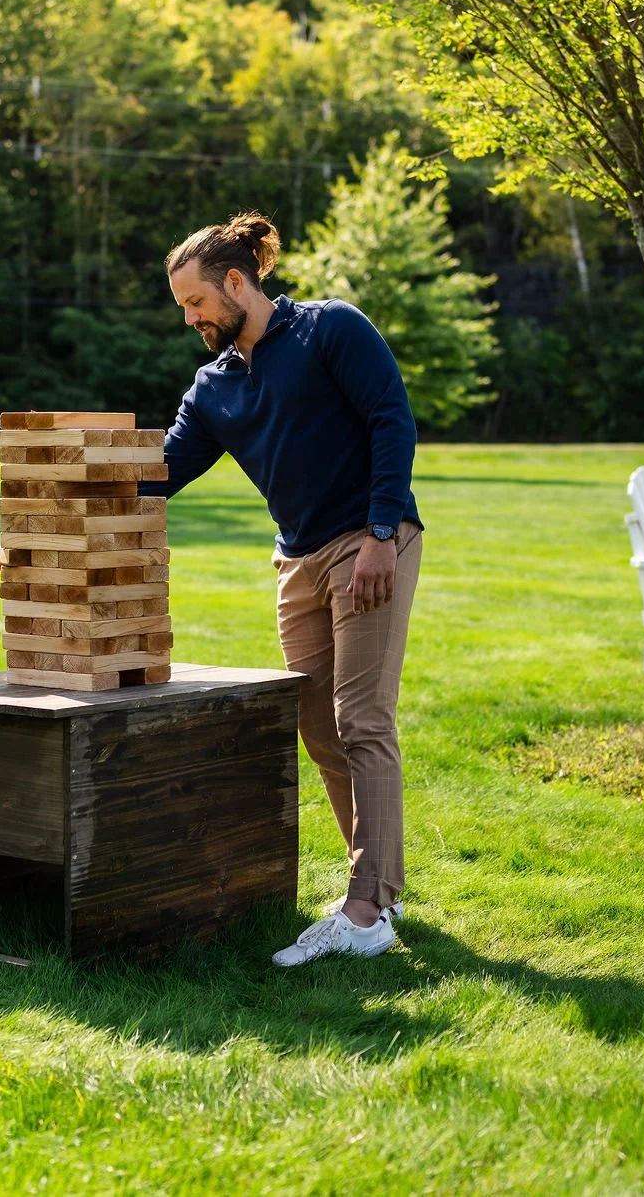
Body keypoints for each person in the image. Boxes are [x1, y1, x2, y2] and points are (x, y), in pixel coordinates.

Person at [143, 212, 424, 967]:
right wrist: (54, 513)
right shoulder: (213, 386)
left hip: (367, 539)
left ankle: (364, 908)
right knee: (317, 725)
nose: (192, 319)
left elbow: (391, 420)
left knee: (362, 716)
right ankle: (378, 892)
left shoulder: (331, 329)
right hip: (295, 558)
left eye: (197, 302)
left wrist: (380, 532)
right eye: (183, 309)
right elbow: (159, 474)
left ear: (238, 282)